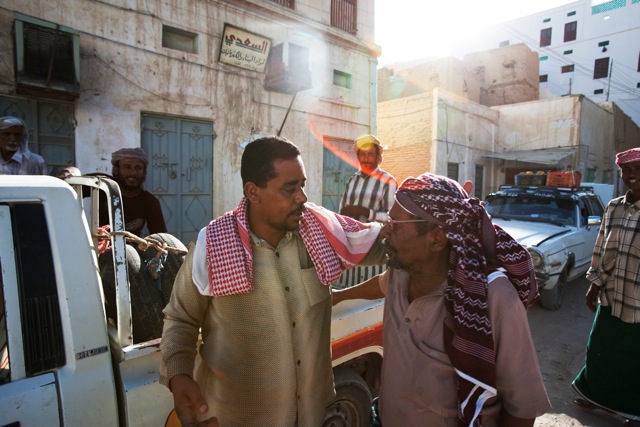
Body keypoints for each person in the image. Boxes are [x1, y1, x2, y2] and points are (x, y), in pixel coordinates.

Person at [159, 136, 385, 426]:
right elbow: (180, 318)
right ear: (253, 192)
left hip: (311, 415)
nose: (302, 197)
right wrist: (179, 376)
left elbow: (387, 244)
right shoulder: (213, 244)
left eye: (302, 185)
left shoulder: (322, 231)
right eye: (290, 188)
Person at [333, 172, 551, 427]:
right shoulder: (400, 273)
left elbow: (522, 408)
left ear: (436, 239)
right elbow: (379, 284)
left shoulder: (492, 297)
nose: (385, 231)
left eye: (395, 223)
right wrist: (337, 297)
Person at [572, 147, 640, 422]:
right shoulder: (613, 207)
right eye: (628, 170)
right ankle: (593, 396)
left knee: (633, 357)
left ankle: (633, 409)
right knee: (599, 348)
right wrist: (594, 283)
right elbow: (601, 248)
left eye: (638, 169)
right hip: (612, 293)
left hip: (637, 299)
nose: (632, 175)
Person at [99, 147, 167, 237]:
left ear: (144, 173)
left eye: (138, 168)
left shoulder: (150, 202)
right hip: (98, 248)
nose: (133, 173)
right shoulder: (101, 188)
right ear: (115, 170)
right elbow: (75, 187)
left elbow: (160, 237)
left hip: (132, 248)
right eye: (127, 167)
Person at [339, 134, 397, 223]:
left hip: (376, 236)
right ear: (358, 157)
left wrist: (366, 212)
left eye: (370, 154)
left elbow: (392, 218)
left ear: (377, 157)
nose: (366, 158)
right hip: (350, 235)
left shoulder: (388, 182)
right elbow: (342, 211)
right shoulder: (352, 180)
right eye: (362, 154)